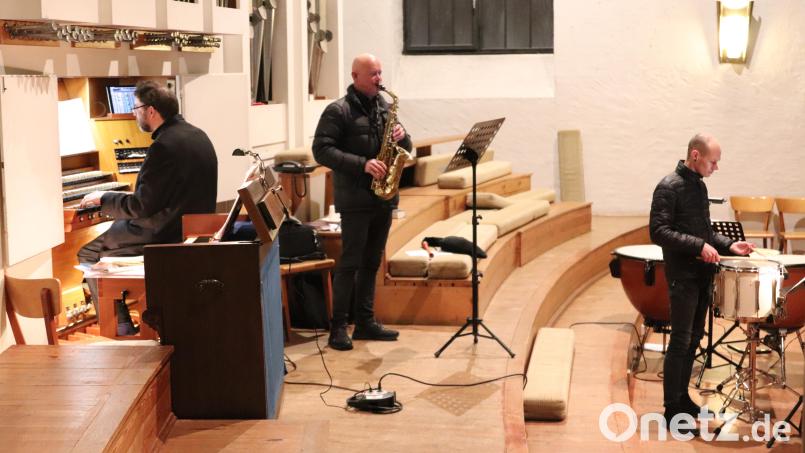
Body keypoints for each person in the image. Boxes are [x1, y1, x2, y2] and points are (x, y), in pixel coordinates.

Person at [78, 81, 218, 333]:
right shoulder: (198, 135)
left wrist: (103, 198)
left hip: (163, 232)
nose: (133, 113)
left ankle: (118, 328)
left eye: (136, 108)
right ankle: (124, 316)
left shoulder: (163, 146)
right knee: (113, 234)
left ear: (151, 111)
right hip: (190, 228)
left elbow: (140, 206)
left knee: (89, 252)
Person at [650, 133, 754, 431]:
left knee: (694, 339)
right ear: (695, 155)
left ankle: (683, 400)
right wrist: (698, 246)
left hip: (701, 275)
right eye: (713, 161)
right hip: (682, 275)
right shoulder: (668, 186)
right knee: (680, 342)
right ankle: (671, 410)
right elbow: (658, 231)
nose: (716, 167)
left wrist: (728, 245)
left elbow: (704, 232)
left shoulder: (698, 185)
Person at [312, 53, 413, 351]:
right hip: (355, 198)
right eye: (373, 74)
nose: (379, 79)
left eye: (380, 73)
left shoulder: (383, 106)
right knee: (350, 263)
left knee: (371, 262)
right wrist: (362, 164)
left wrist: (403, 136)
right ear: (356, 76)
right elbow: (321, 150)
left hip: (383, 197)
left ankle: (365, 322)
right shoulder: (337, 110)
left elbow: (404, 147)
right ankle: (339, 327)